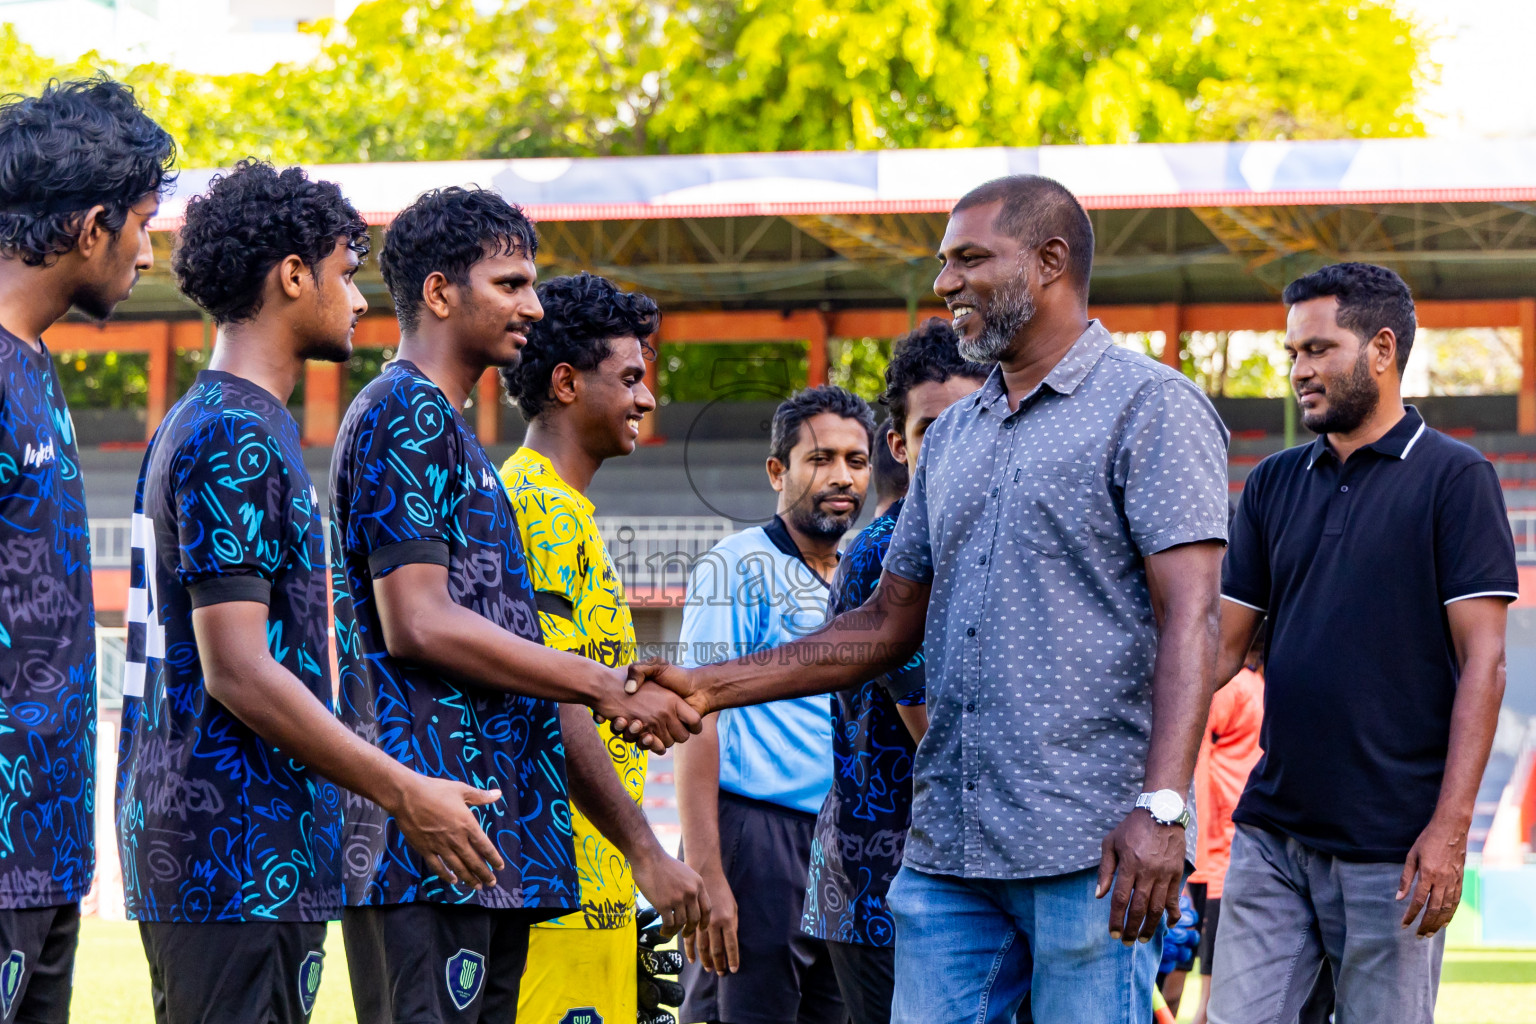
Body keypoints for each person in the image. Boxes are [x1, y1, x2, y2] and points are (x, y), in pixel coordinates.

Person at [629, 174, 1231, 1024]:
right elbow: (881, 623)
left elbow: (1193, 618)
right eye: (944, 262)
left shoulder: (1152, 409)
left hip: (1086, 848)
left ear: (1050, 261)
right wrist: (708, 687)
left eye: (970, 259)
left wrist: (1163, 805)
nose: (945, 283)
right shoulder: (952, 439)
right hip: (947, 856)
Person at [114, 161, 522, 1024]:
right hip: (233, 852)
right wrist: (402, 788)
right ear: (293, 276)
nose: (361, 300)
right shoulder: (236, 435)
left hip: (232, 850)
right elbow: (238, 670)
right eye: (345, 272)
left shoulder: (209, 420)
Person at [329, 187, 705, 1024]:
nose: (534, 306)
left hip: (483, 845)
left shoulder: (448, 429)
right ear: (438, 293)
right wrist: (599, 685)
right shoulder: (405, 415)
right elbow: (415, 619)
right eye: (510, 284)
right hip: (430, 838)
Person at [1207, 263, 1518, 1024]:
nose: (1299, 371)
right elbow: (1217, 651)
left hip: (1396, 849)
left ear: (1382, 349)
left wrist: (1449, 832)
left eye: (1317, 349)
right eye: (1291, 354)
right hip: (1272, 835)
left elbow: (1487, 662)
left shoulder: (1456, 479)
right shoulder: (1273, 483)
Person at [0, 76, 172, 1024]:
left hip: (46, 852)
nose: (151, 251)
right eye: (143, 223)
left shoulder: (34, 364)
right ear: (91, 224)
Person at [498, 271, 707, 1024]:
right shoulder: (541, 509)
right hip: (562, 893)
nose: (646, 399)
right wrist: (649, 852)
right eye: (629, 378)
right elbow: (553, 705)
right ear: (564, 383)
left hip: (595, 889)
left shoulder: (568, 511)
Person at [800, 320, 989, 1024]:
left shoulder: (979, 536)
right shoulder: (888, 552)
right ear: (899, 444)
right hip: (884, 877)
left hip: (951, 872)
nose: (951, 444)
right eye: (931, 427)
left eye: (971, 421)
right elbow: (935, 735)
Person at [675, 384, 875, 1024]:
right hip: (756, 837)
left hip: (845, 842)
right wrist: (707, 871)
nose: (840, 476)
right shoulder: (736, 567)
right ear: (776, 471)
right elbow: (692, 717)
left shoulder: (866, 579)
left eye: (856, 460)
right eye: (819, 459)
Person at [1183, 632, 1265, 1024]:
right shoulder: (1242, 687)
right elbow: (1197, 757)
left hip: (1224, 857)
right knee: (1195, 980)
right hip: (1212, 859)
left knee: (1206, 991)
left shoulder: (1246, 687)